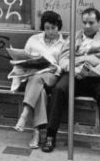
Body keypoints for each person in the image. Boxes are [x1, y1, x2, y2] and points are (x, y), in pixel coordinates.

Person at [41, 7, 100, 159]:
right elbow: (63, 58)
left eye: (91, 23)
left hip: (96, 76)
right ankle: (50, 135)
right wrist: (72, 69)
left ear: (99, 22)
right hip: (75, 75)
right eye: (84, 23)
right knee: (58, 90)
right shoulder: (74, 36)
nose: (87, 26)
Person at [13, 11, 66, 149]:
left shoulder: (64, 43)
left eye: (53, 28)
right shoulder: (33, 39)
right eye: (47, 28)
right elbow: (24, 58)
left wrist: (58, 69)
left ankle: (24, 115)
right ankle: (36, 133)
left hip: (52, 76)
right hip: (34, 77)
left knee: (38, 79)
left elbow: (65, 64)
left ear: (58, 27)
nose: (50, 31)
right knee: (40, 92)